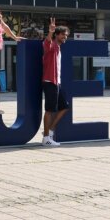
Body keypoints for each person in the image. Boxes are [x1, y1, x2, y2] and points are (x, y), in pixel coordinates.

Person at [41, 18, 69, 147]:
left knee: (64, 107)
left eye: (66, 35)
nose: (65, 37)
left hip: (56, 82)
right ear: (57, 35)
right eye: (63, 34)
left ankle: (49, 132)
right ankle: (46, 138)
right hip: (49, 81)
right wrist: (50, 32)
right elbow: (46, 44)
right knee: (49, 110)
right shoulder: (51, 45)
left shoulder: (58, 48)